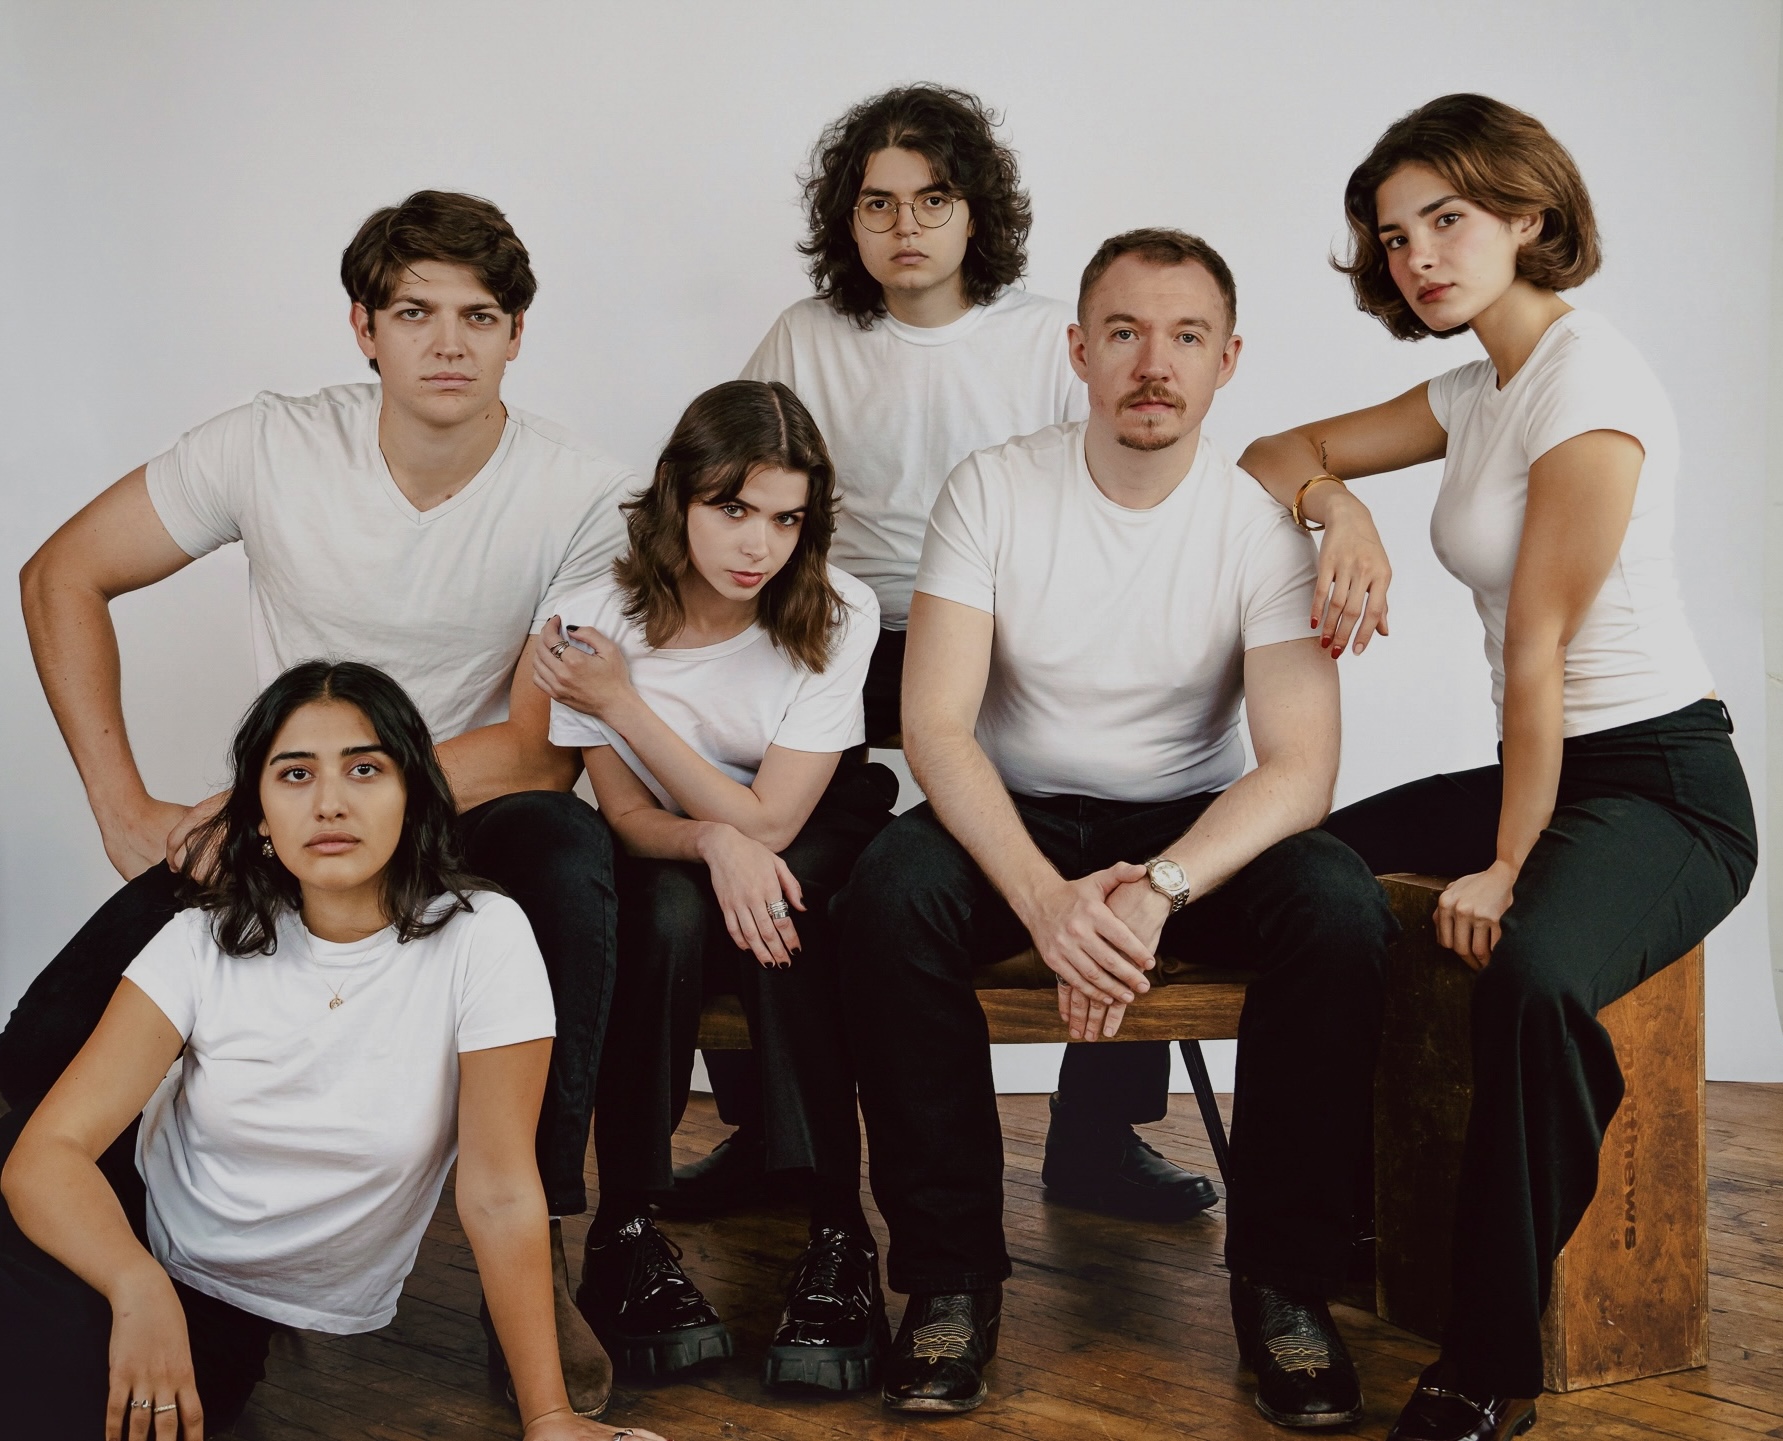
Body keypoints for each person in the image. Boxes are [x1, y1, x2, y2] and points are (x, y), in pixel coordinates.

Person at [4, 190, 634, 1413]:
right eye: (414, 312)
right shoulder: (269, 444)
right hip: (297, 812)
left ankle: (541, 1235)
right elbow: (60, 573)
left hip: (466, 801)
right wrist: (123, 805)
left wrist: (359, 783)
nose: (447, 343)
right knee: (37, 1045)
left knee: (564, 851)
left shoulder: (583, 490)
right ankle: (103, 1265)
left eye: (479, 315)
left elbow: (535, 742)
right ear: (363, 328)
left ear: (517, 336)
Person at [1239, 94, 1757, 1441]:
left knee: (1526, 979)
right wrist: (1340, 504)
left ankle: (1485, 1361)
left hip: (1657, 786)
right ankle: (1333, 1230)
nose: (1416, 256)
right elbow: (1270, 454)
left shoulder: (1589, 386)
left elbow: (1534, 652)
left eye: (1447, 221)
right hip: (1548, 767)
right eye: (1394, 234)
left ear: (1528, 216)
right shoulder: (1471, 390)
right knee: (1299, 867)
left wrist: (1509, 863)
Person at [836, 228, 1396, 1422]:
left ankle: (1284, 1286)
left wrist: (1159, 888)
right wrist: (1045, 898)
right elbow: (935, 728)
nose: (1155, 363)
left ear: (1227, 359)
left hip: (1189, 821)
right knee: (888, 893)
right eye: (1127, 333)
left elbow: (1300, 770)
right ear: (1078, 350)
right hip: (1017, 808)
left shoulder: (1257, 526)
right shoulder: (992, 486)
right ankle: (948, 1283)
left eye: (1185, 335)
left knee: (1340, 905)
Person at [687, 82, 1212, 1228]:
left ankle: (1098, 1130)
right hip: (826, 624)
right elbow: (738, 484)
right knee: (736, 811)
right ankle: (763, 1121)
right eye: (876, 204)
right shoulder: (805, 335)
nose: (904, 227)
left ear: (978, 214)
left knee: (1101, 803)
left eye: (932, 199)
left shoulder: (1038, 338)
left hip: (1000, 626)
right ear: (848, 219)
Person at [0, 662, 667, 1441]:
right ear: (256, 815)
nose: (329, 802)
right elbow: (46, 1153)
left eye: (364, 768)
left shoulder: (483, 938)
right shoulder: (199, 939)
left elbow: (499, 1190)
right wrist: (135, 1285)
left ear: (414, 794)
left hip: (221, 1318)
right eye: (294, 773)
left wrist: (547, 1415)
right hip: (100, 1239)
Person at [533, 380, 896, 1393]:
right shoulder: (595, 618)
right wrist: (710, 842)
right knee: (661, 910)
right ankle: (626, 1225)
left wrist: (627, 709)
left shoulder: (835, 607)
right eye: (732, 509)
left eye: (786, 518)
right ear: (678, 497)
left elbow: (777, 821)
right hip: (667, 844)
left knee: (782, 907)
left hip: (813, 818)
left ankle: (838, 1233)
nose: (758, 546)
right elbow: (624, 817)